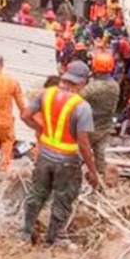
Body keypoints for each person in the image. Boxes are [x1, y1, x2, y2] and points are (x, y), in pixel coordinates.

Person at [21, 61, 100, 245]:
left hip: (44, 155)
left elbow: (25, 115)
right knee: (63, 198)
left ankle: (25, 232)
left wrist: (41, 129)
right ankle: (53, 238)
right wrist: (92, 171)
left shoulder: (45, 94)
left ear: (65, 75)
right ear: (81, 83)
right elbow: (83, 143)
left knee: (37, 193)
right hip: (68, 161)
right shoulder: (82, 107)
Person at [83, 49, 121, 176]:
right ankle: (99, 178)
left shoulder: (92, 88)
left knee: (79, 152)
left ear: (94, 66)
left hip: (89, 127)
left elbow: (77, 100)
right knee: (100, 154)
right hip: (105, 126)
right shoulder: (115, 86)